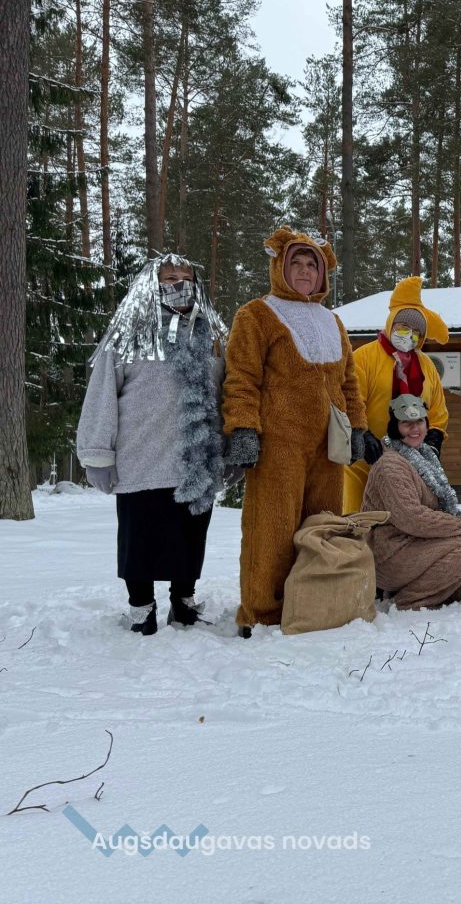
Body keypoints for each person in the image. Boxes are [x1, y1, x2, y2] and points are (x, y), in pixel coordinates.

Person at [221, 227, 369, 636]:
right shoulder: (257, 314)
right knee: (272, 527)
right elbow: (241, 377)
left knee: (322, 523)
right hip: (278, 441)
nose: (304, 271)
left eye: (312, 265)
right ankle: (262, 609)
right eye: (297, 263)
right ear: (280, 268)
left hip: (328, 444)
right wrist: (243, 427)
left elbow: (349, 382)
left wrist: (358, 427)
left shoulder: (333, 321)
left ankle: (313, 597)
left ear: (322, 274)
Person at [76, 253, 228, 634]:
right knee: (139, 539)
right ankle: (141, 608)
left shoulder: (212, 339)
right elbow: (102, 394)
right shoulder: (128, 335)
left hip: (194, 461)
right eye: (170, 278)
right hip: (140, 460)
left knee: (190, 535)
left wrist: (229, 449)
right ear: (151, 286)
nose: (179, 284)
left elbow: (226, 395)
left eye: (187, 277)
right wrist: (98, 452)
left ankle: (183, 602)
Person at [362, 394, 461, 609]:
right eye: (406, 423)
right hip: (389, 554)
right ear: (395, 427)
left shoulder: (424, 456)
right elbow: (413, 518)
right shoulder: (391, 465)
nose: (414, 428)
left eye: (419, 421)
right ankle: (408, 601)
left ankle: (409, 589)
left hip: (415, 544)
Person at [343, 276, 449, 513]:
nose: (409, 335)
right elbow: (350, 401)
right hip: (365, 462)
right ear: (391, 323)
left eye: (416, 332)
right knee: (360, 520)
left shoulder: (427, 365)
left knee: (404, 520)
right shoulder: (364, 357)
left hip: (410, 465)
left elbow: (437, 410)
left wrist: (433, 438)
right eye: (403, 328)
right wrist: (362, 434)